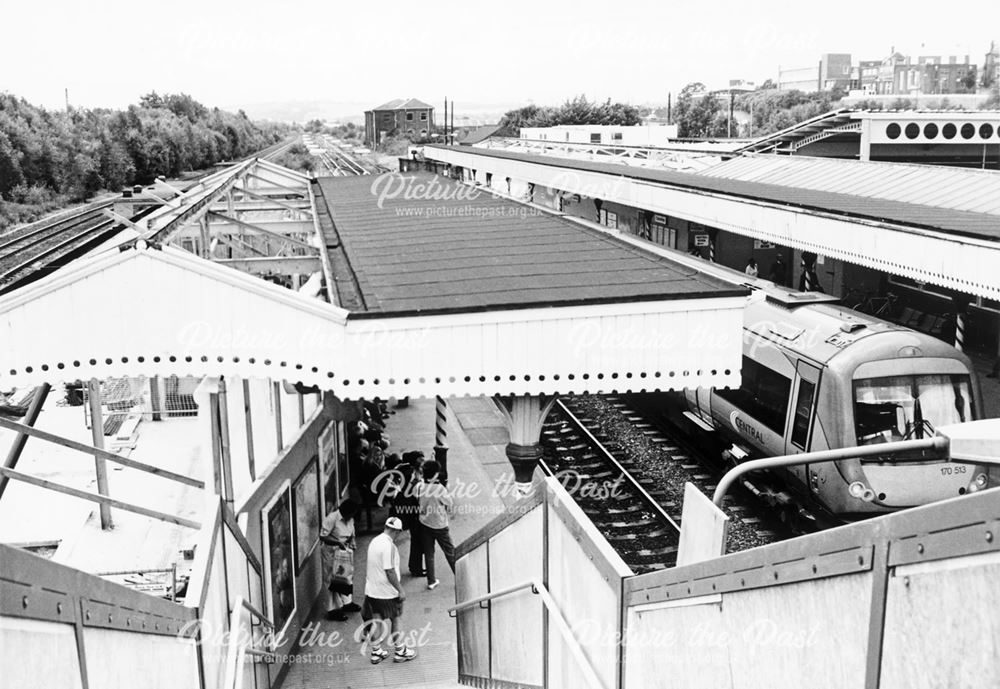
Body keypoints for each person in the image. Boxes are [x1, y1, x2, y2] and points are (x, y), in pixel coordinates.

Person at [362, 517, 417, 664]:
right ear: (396, 531)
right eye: (398, 532)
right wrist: (400, 590)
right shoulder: (389, 547)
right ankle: (400, 651)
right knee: (396, 618)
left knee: (377, 620)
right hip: (388, 592)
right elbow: (390, 571)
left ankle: (376, 652)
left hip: (373, 591)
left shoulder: (374, 541)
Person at [416, 460, 455, 590]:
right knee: (450, 551)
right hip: (439, 525)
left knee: (429, 553)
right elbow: (449, 502)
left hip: (425, 522)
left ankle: (431, 581)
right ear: (435, 474)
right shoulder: (439, 489)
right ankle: (459, 575)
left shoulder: (420, 486)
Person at [321, 500, 361, 621]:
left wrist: (352, 541)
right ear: (344, 512)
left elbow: (351, 531)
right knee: (331, 580)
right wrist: (338, 542)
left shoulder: (350, 518)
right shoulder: (332, 518)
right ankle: (332, 610)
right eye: (350, 514)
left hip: (345, 551)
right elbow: (323, 536)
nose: (351, 517)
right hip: (332, 552)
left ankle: (347, 603)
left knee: (346, 576)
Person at [394, 451, 427, 576]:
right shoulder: (411, 476)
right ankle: (416, 568)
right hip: (414, 511)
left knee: (416, 539)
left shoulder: (406, 471)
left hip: (410, 511)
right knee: (418, 539)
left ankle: (415, 566)